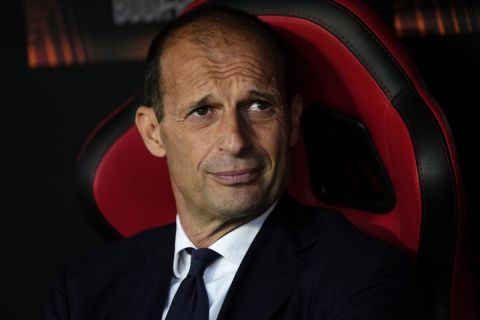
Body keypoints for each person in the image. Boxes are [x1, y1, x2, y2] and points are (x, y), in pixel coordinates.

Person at [42, 5, 424, 320]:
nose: (235, 140)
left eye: (259, 106)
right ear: (153, 133)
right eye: (203, 111)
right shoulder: (82, 291)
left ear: (291, 120)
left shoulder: (361, 277)